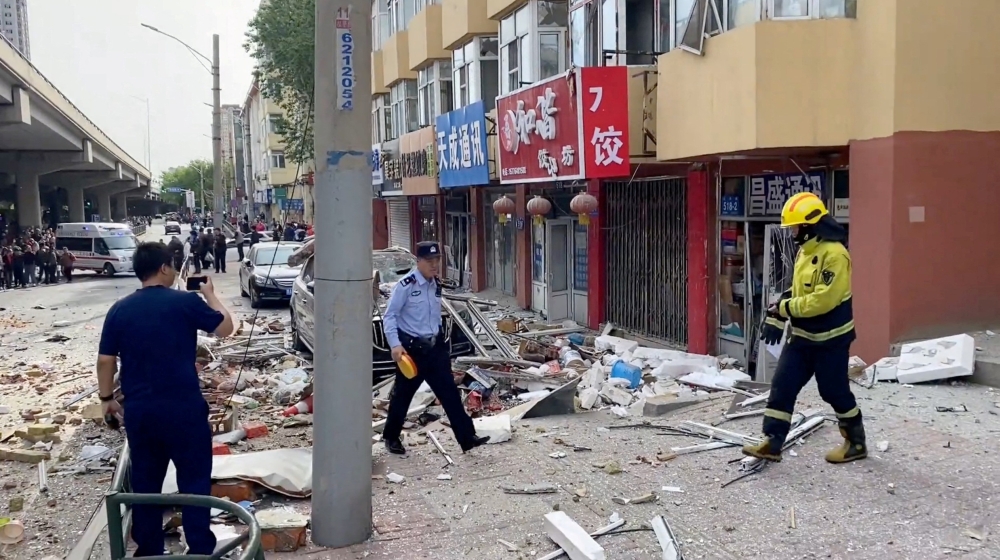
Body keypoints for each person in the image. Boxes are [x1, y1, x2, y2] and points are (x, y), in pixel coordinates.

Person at [97, 242, 234, 557]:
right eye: (172, 265)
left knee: (145, 484)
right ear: (163, 268)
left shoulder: (119, 309)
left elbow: (106, 361)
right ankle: (199, 549)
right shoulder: (185, 302)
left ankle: (149, 551)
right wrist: (210, 294)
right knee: (195, 482)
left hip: (141, 412)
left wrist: (107, 399)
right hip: (184, 409)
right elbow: (225, 328)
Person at [742, 192, 865, 465]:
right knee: (782, 386)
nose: (793, 232)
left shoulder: (835, 255)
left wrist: (786, 309)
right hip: (801, 338)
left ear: (809, 227)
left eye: (795, 227)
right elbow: (796, 289)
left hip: (830, 340)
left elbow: (823, 300)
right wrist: (777, 313)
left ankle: (856, 441)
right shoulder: (805, 251)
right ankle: (772, 442)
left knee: (833, 391)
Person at [382, 241, 489, 455]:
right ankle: (391, 437)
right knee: (403, 396)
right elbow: (390, 316)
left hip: (436, 349)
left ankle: (467, 438)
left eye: (437, 260)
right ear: (418, 261)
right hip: (413, 351)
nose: (434, 265)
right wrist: (395, 345)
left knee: (449, 394)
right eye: (429, 261)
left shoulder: (435, 283)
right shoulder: (406, 285)